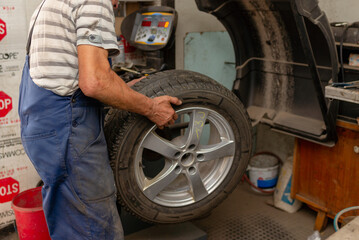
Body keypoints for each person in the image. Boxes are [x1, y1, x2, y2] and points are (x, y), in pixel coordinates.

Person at [18, 0, 181, 239]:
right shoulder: (95, 0)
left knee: (69, 219)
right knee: (94, 228)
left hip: (44, 124)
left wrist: (125, 91)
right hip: (68, 130)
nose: (116, 4)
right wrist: (151, 108)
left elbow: (70, 73)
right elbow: (94, 82)